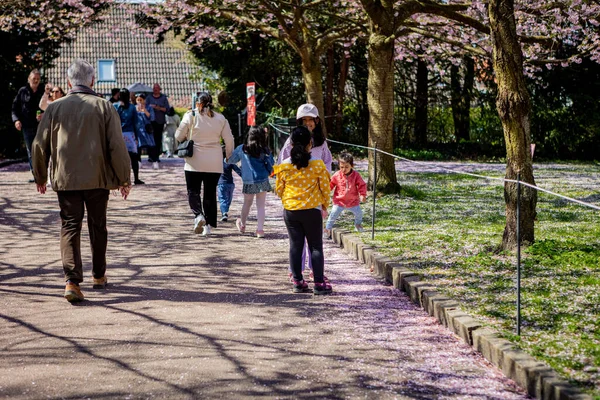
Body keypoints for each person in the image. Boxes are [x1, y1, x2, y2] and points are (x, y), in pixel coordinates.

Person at [31, 59, 131, 303]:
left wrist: (41, 176)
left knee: (69, 226)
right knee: (98, 225)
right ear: (92, 81)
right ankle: (98, 275)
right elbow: (116, 146)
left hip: (66, 179)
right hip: (98, 179)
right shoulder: (105, 107)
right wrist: (123, 178)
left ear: (68, 82)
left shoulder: (54, 108)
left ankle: (72, 282)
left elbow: (38, 145)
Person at [274, 126, 332, 294]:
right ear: (310, 144)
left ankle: (298, 281)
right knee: (315, 246)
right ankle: (319, 284)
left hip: (291, 211)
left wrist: (289, 200)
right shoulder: (318, 165)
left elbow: (279, 189)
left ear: (290, 144)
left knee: (295, 245)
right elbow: (325, 189)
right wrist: (324, 205)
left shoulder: (283, 166)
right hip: (312, 210)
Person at [175, 92, 234, 236]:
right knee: (210, 193)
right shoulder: (221, 119)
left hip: (194, 161)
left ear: (197, 103)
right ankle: (208, 225)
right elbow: (229, 140)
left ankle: (198, 215)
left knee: (193, 191)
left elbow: (178, 135)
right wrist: (228, 156)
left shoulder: (190, 116)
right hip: (214, 162)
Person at [227, 126, 274, 238]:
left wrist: (226, 158)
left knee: (247, 203)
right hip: (262, 180)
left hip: (248, 182)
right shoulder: (264, 150)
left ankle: (242, 224)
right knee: (261, 206)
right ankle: (260, 230)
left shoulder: (242, 149)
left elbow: (231, 160)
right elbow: (271, 163)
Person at [324, 152, 367, 238]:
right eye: (341, 167)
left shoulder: (356, 175)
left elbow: (362, 185)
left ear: (352, 165)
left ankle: (357, 225)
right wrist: (326, 191)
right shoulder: (337, 175)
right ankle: (327, 229)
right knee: (332, 215)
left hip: (353, 201)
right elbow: (331, 184)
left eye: (346, 167)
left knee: (359, 214)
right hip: (339, 202)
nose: (344, 169)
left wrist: (362, 195)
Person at [11, 69, 44, 182]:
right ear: (29, 79)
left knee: (42, 150)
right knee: (31, 151)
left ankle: (43, 173)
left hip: (42, 126)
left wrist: (43, 114)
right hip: (27, 126)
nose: (36, 81)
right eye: (34, 78)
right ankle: (36, 175)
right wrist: (16, 120)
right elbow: (14, 108)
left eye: (38, 79)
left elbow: (50, 106)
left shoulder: (43, 91)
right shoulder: (22, 91)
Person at [114, 88, 144, 185]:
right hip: (130, 135)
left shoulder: (115, 106)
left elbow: (113, 121)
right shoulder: (132, 108)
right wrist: (136, 137)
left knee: (119, 158)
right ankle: (136, 178)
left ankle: (120, 179)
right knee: (134, 158)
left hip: (118, 134)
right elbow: (136, 123)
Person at [145, 83, 170, 166]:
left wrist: (158, 108)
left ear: (160, 89)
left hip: (160, 121)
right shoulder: (149, 97)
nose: (155, 90)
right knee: (150, 138)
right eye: (154, 88)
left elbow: (167, 109)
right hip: (150, 121)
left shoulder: (163, 98)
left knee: (158, 139)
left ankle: (157, 156)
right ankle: (150, 156)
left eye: (156, 88)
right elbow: (145, 107)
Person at [218, 148, 242, 222]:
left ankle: (224, 213)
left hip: (221, 184)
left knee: (222, 199)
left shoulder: (217, 162)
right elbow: (238, 170)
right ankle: (225, 211)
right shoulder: (230, 162)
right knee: (228, 199)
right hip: (230, 184)